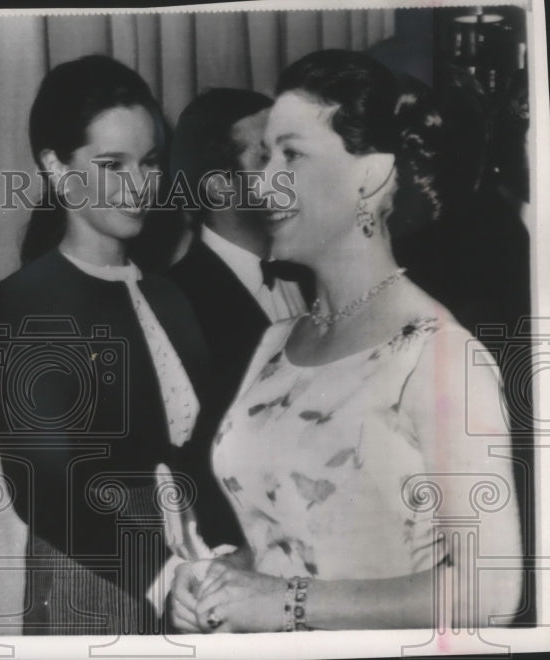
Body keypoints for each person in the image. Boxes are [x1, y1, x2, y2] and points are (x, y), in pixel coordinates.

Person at [169, 49, 522, 632]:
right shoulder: (273, 346)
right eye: (263, 158)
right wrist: (221, 576)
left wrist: (285, 601)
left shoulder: (438, 357)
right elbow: (288, 535)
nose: (262, 181)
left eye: (292, 155)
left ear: (372, 175)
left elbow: (493, 591)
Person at [0, 55, 215, 635]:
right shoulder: (26, 301)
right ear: (57, 166)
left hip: (190, 567)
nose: (140, 186)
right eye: (113, 165)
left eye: (151, 162)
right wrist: (163, 577)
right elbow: (44, 489)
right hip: (92, 580)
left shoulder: (173, 296)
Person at [166, 89, 310, 550]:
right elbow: (192, 474)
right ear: (219, 186)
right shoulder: (173, 303)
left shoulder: (311, 274)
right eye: (266, 156)